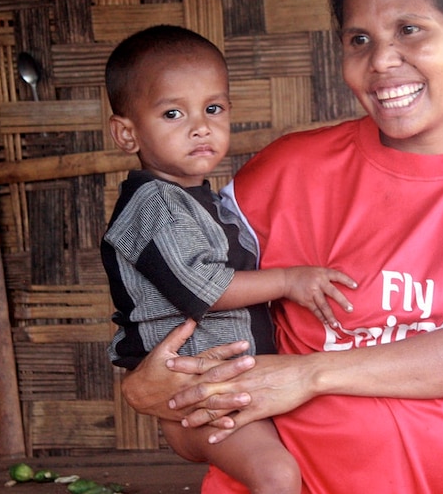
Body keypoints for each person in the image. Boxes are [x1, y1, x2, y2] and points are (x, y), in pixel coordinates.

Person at [118, 0, 443, 494]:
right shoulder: (285, 171)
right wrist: (155, 392)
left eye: (410, 30)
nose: (382, 61)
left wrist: (309, 374)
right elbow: (183, 320)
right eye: (359, 39)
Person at [101, 24, 358, 494]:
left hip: (225, 386)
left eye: (213, 109)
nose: (200, 126)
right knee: (276, 477)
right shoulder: (153, 204)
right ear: (126, 133)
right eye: (173, 113)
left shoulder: (205, 201)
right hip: (197, 389)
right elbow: (205, 289)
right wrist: (289, 281)